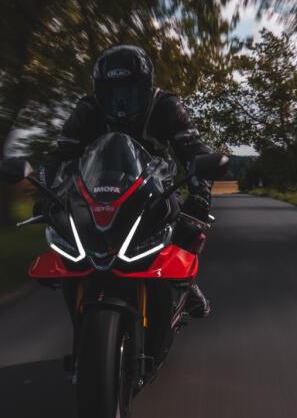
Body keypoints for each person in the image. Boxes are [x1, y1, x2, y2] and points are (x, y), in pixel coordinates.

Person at [41, 44, 216, 318]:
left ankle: (186, 283)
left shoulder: (166, 105)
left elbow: (194, 150)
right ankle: (77, 290)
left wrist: (200, 193)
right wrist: (46, 193)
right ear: (99, 91)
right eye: (112, 95)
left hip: (155, 186)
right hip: (95, 189)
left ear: (146, 88)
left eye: (129, 93)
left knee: (187, 224)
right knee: (68, 234)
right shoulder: (87, 109)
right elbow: (61, 154)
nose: (120, 104)